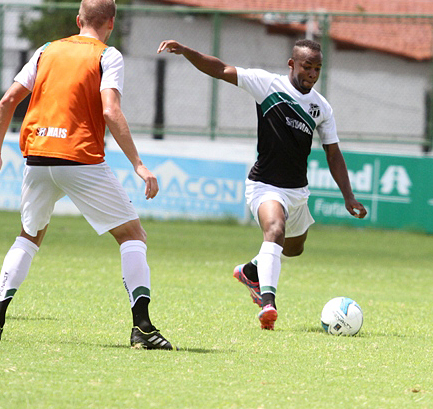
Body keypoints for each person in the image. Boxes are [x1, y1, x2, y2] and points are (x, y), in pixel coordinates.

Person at [0, 0, 173, 349]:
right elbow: (110, 111)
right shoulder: (107, 55)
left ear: (77, 20)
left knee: (29, 235)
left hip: (37, 158)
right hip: (78, 158)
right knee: (133, 235)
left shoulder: (46, 50)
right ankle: (142, 329)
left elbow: (7, 101)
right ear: (110, 24)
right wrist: (139, 165)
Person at [157, 38, 368, 330]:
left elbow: (333, 152)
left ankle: (251, 270)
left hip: (297, 192)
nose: (312, 74)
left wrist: (349, 196)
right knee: (275, 230)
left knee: (293, 248)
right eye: (307, 67)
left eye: (318, 68)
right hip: (264, 185)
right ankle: (268, 303)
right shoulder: (267, 85)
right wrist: (187, 52)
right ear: (292, 64)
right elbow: (221, 69)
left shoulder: (322, 108)